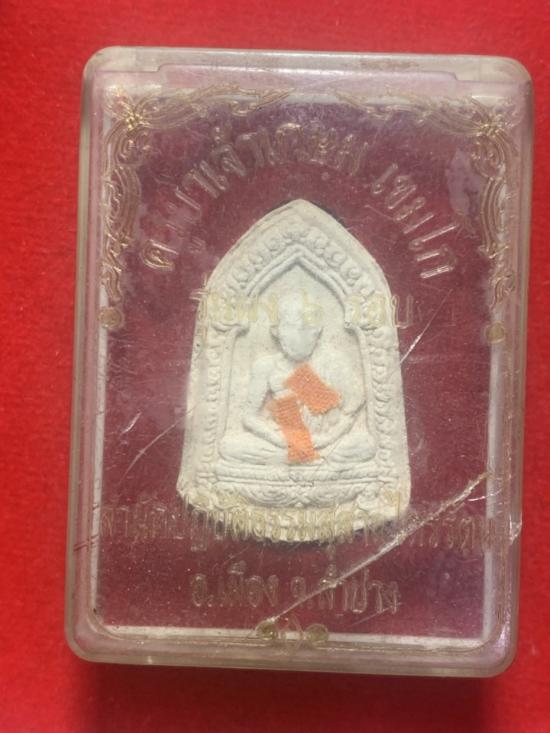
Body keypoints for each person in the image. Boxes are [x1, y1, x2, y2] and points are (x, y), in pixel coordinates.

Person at [220, 291, 376, 466]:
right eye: (290, 326)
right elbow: (249, 417)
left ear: (318, 331)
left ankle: (306, 457)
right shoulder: (266, 366)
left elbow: (351, 410)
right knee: (228, 446)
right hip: (281, 442)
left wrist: (327, 439)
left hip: (325, 442)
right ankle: (302, 458)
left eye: (307, 327)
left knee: (366, 445)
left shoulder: (333, 361)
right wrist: (282, 440)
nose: (299, 335)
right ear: (276, 331)